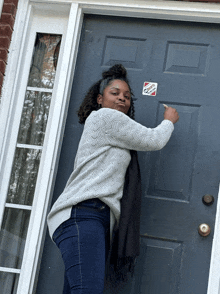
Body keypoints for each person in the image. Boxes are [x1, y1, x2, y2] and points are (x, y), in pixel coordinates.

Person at [47, 64, 179, 294]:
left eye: (127, 96)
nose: (122, 99)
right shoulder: (105, 117)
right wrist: (169, 120)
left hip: (91, 218)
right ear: (99, 98)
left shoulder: (114, 129)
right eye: (115, 93)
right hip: (83, 215)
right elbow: (153, 140)